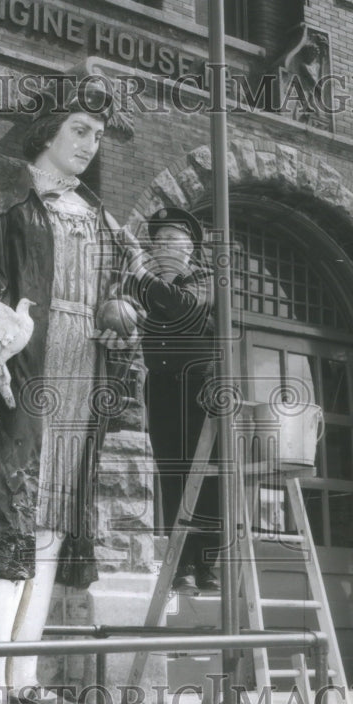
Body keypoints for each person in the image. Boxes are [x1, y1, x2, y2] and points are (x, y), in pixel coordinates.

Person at [0, 79, 134, 704]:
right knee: (9, 530)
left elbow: (115, 302)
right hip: (24, 382)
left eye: (98, 135)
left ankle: (22, 684)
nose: (90, 144)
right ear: (47, 130)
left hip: (79, 384)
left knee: (48, 535)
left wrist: (120, 329)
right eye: (79, 129)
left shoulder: (104, 222)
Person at [123, 207, 221, 592]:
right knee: (171, 472)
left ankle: (207, 565)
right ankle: (180, 564)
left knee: (205, 475)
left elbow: (182, 306)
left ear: (190, 248)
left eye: (171, 240)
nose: (161, 246)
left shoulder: (204, 279)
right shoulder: (143, 287)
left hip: (199, 387)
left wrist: (139, 269)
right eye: (157, 240)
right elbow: (125, 315)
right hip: (161, 386)